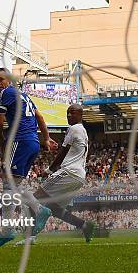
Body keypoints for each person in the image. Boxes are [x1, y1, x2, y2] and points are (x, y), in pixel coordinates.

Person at [0, 68, 58, 247]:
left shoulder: (7, 93)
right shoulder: (25, 96)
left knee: (8, 183)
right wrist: (46, 138)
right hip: (33, 143)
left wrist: (1, 145)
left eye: (1, 80)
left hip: (19, 141)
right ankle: (39, 210)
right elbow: (40, 117)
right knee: (16, 184)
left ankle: (7, 230)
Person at [17, 104, 95, 245]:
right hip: (79, 176)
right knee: (55, 209)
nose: (69, 116)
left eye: (73, 113)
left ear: (80, 115)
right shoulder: (83, 131)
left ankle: (30, 237)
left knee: (36, 199)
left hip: (68, 172)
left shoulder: (73, 129)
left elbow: (62, 154)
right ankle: (84, 225)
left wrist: (49, 170)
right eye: (67, 113)